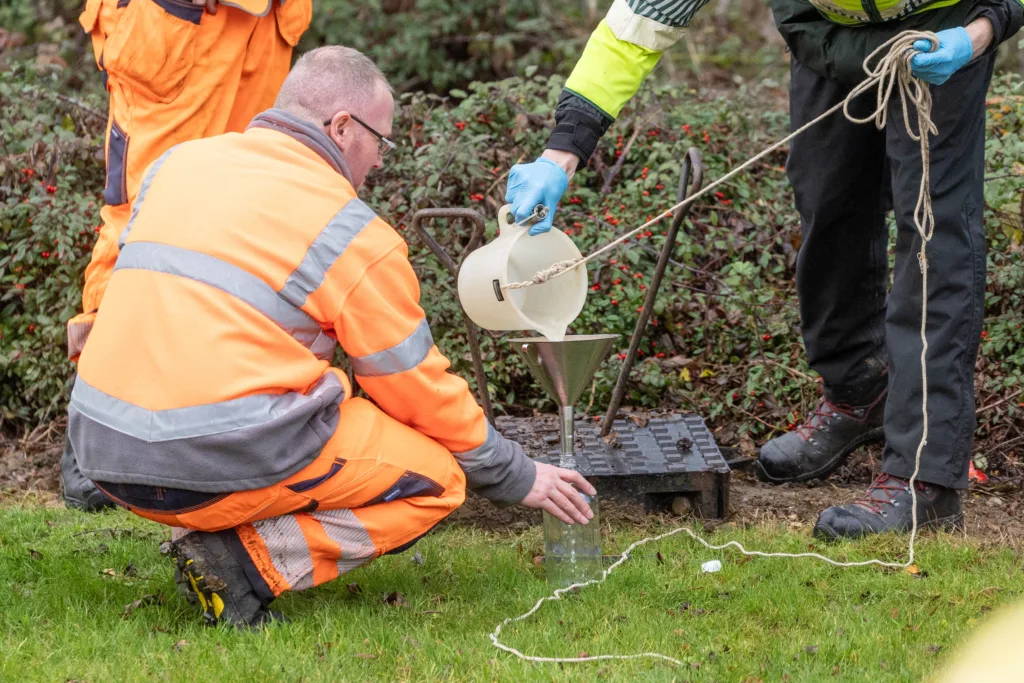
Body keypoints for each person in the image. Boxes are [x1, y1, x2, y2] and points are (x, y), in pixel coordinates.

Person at [66, 46, 596, 629]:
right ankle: (242, 565)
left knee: (322, 390)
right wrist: (515, 472)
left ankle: (226, 528)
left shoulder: (178, 164)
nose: (378, 163)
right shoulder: (349, 232)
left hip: (103, 451)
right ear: (342, 127)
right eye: (381, 143)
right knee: (439, 478)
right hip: (206, 462)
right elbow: (414, 387)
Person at [505, 0, 1022, 539]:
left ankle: (926, 477)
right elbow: (636, 26)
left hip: (942, 32)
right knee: (828, 202)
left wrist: (981, 33)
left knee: (932, 238)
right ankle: (859, 393)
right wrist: (560, 151)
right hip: (827, 35)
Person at [61, 0, 314, 511]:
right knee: (145, 219)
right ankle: (93, 440)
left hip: (263, 24)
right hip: (176, 23)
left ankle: (194, 436)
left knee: (236, 217)